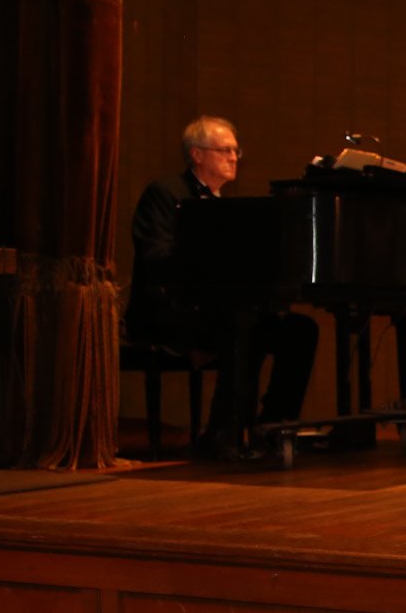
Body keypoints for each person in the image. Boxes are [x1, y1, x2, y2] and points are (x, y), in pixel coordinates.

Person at [126, 116, 317, 455]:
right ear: (197, 154)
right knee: (242, 325)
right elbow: (155, 257)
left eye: (235, 151)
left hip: (218, 309)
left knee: (300, 331)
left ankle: (272, 426)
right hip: (170, 310)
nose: (233, 157)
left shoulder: (224, 205)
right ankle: (222, 432)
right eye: (225, 150)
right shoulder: (165, 193)